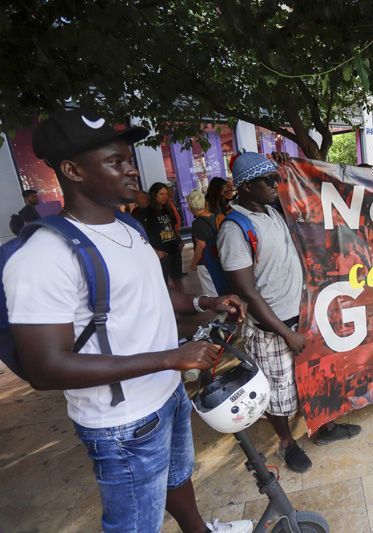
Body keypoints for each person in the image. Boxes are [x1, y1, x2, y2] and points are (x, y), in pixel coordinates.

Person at [4, 108, 252, 533]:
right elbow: (47, 368)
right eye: (115, 162)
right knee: (134, 524)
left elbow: (162, 295)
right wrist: (171, 358)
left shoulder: (127, 227)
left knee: (177, 478)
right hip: (123, 423)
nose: (132, 171)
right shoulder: (44, 258)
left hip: (165, 394)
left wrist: (209, 301)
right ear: (72, 171)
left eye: (129, 159)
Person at [217, 151, 361, 474]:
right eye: (269, 180)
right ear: (247, 186)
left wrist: (289, 166)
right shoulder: (235, 229)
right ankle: (287, 443)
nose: (276, 184)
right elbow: (248, 293)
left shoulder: (273, 211)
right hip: (273, 328)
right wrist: (286, 333)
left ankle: (324, 426)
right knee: (278, 391)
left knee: (317, 376)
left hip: (304, 316)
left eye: (276, 178)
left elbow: (307, 192)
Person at [141, 182, 184, 289]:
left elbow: (173, 227)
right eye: (161, 194)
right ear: (154, 195)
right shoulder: (147, 212)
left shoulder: (167, 209)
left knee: (178, 278)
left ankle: (184, 301)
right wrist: (155, 251)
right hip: (162, 253)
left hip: (174, 249)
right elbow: (142, 235)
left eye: (166, 194)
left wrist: (179, 240)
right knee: (165, 282)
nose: (165, 196)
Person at [187, 189, 219, 297]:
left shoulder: (197, 223)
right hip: (217, 258)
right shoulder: (215, 217)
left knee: (211, 292)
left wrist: (193, 263)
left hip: (205, 261)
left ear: (191, 206)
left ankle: (221, 312)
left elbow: (201, 245)